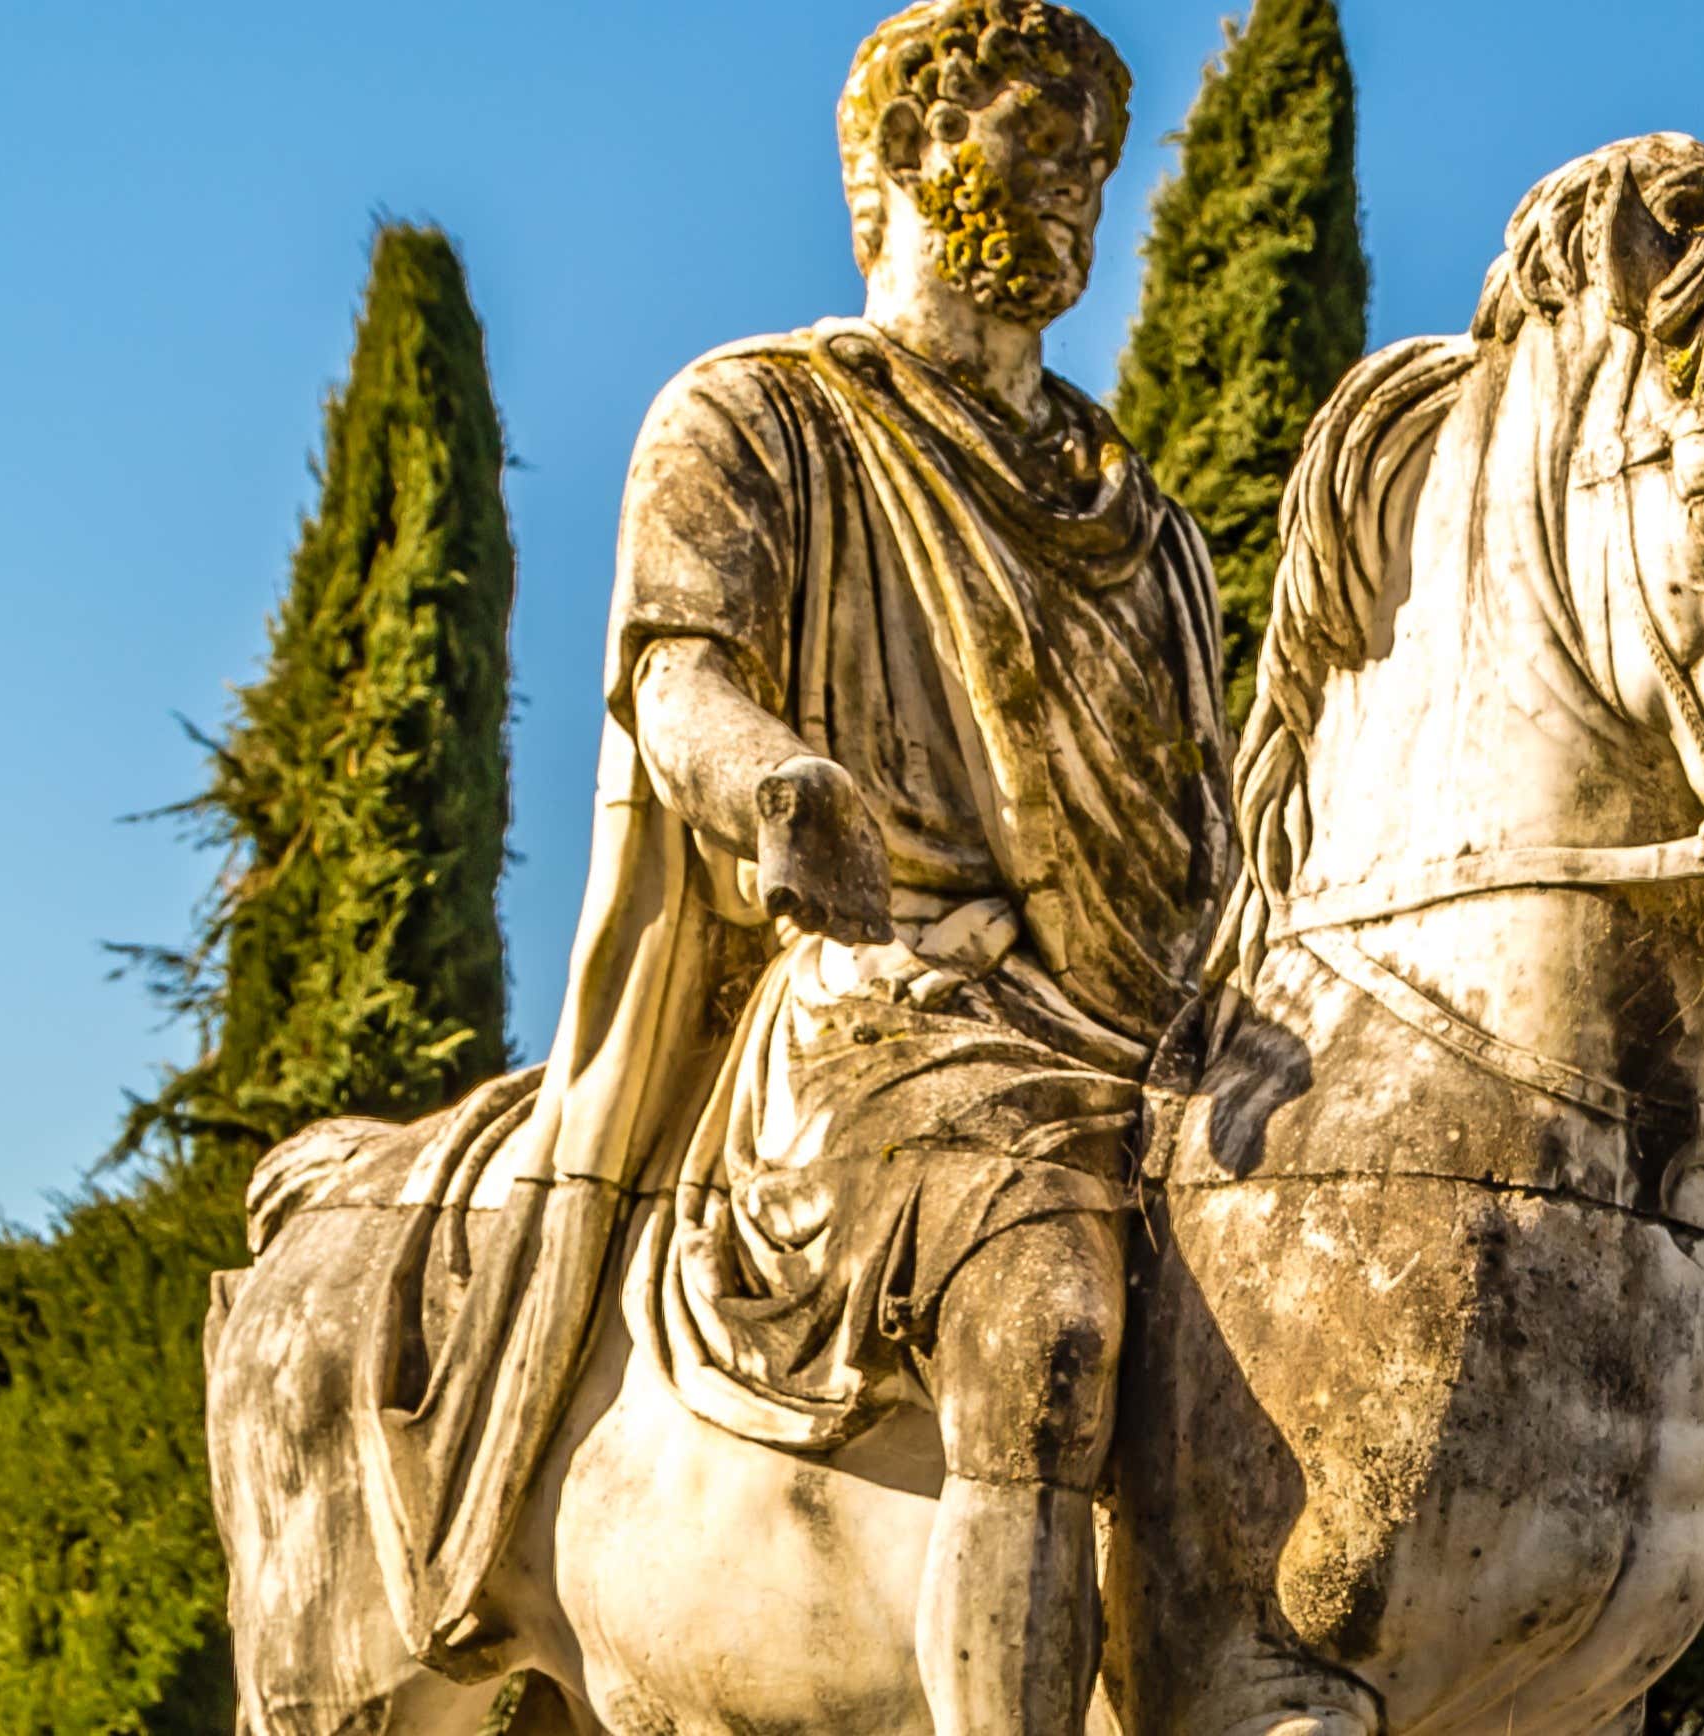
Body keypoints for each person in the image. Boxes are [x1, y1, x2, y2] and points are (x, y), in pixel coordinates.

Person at [261, 5, 1222, 1729]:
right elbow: (673, 669)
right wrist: (775, 781)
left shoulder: (1134, 513)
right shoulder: (758, 415)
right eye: (1038, 127)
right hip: (892, 1013)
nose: (1084, 167)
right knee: (1046, 1283)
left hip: (1144, 1021)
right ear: (908, 159)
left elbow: (1202, 809)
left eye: (1097, 141)